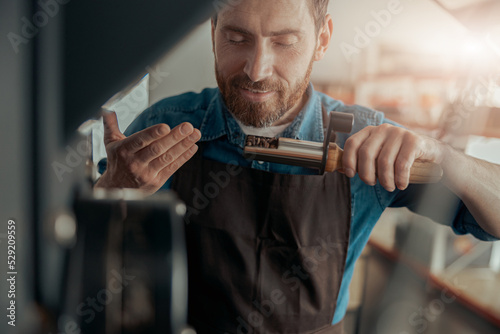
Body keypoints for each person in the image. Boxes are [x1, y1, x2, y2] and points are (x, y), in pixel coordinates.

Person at [96, 0, 500, 333]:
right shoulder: (162, 123)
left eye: (284, 42)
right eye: (237, 38)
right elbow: (97, 251)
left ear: (321, 39)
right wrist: (110, 188)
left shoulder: (367, 139)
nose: (257, 70)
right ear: (213, 33)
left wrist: (446, 156)